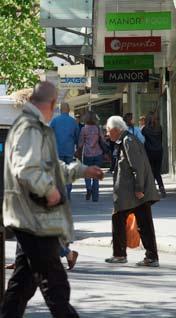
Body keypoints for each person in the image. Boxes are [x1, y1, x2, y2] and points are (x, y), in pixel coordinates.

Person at [0, 81, 104, 318]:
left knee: (22, 285)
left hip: (28, 217)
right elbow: (26, 170)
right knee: (54, 283)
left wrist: (82, 171)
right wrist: (49, 191)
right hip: (34, 217)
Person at [105, 116, 160, 267]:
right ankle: (149, 256)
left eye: (108, 131)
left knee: (122, 219)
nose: (107, 134)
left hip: (133, 193)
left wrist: (139, 188)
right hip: (131, 193)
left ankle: (121, 254)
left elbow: (137, 166)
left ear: (116, 130)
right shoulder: (125, 140)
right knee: (144, 223)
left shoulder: (128, 141)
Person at [50, 102, 79, 200]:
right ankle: (68, 191)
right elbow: (77, 136)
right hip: (69, 150)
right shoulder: (73, 121)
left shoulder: (55, 121)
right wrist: (76, 145)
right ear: (69, 109)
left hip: (57, 150)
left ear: (60, 110)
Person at [78, 111, 104, 201]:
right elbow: (103, 140)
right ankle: (95, 197)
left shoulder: (84, 129)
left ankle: (89, 188)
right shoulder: (98, 128)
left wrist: (78, 152)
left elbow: (80, 143)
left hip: (87, 154)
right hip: (98, 154)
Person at [142, 111, 166, 197]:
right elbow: (160, 139)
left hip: (149, 152)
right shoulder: (159, 128)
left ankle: (151, 190)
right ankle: (161, 187)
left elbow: (141, 140)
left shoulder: (144, 129)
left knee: (151, 171)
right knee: (157, 171)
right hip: (159, 151)